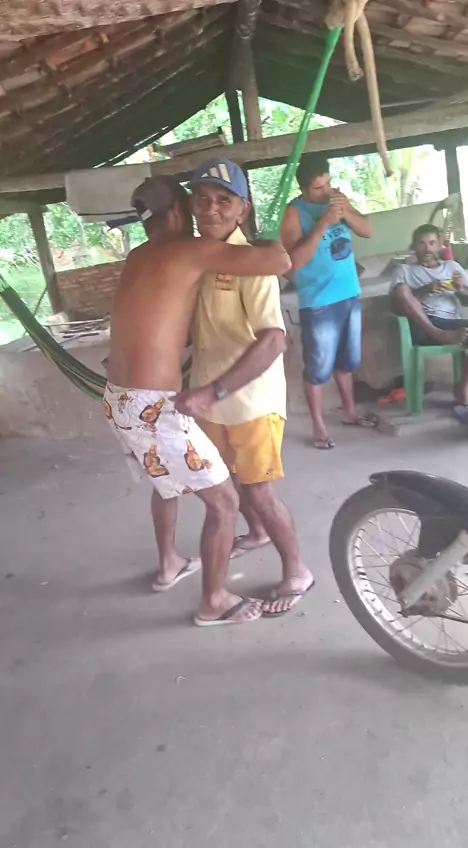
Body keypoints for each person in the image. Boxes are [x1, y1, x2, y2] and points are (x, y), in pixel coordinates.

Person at [105, 175, 291, 626]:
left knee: (165, 481)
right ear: (177, 212)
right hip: (153, 405)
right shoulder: (189, 248)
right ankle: (214, 601)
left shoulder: (137, 256)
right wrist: (263, 236)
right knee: (224, 503)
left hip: (118, 399)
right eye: (195, 205)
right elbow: (280, 261)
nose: (204, 212)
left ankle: (169, 564)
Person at [174, 157, 314, 617]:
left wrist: (210, 392)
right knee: (228, 486)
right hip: (209, 402)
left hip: (250, 402)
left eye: (223, 200)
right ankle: (255, 534)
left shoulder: (253, 264)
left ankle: (297, 570)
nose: (211, 208)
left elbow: (273, 340)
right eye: (202, 199)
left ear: (242, 210)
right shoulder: (195, 258)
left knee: (258, 493)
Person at [280, 153, 372, 449]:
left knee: (347, 362)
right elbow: (292, 262)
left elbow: (366, 230)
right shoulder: (294, 213)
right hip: (319, 301)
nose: (326, 191)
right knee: (318, 369)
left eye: (328, 183)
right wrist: (323, 223)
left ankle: (349, 412)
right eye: (318, 187)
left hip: (349, 294)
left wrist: (346, 212)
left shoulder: (337, 200)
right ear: (304, 189)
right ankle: (318, 427)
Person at [391, 223, 468, 409]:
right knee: (401, 289)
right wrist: (425, 290)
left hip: (452, 325)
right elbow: (396, 306)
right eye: (422, 244)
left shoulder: (452, 267)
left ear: (440, 245)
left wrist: (462, 289)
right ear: (414, 246)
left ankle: (462, 387)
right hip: (422, 325)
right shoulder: (404, 270)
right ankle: (439, 334)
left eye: (432, 243)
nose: (427, 249)